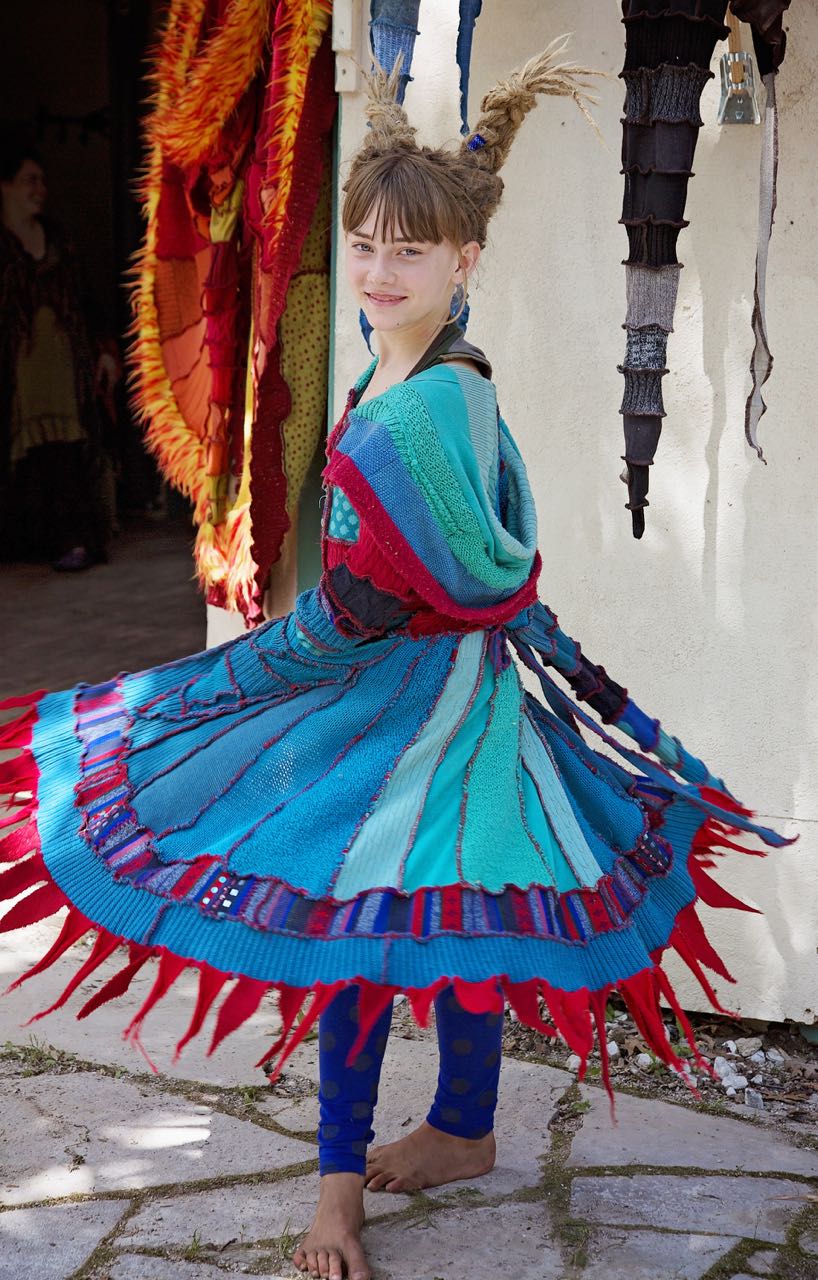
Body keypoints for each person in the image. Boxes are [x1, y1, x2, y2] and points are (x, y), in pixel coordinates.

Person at [0, 42, 786, 1280]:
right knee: (450, 910)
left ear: (463, 259)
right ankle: (463, 1124)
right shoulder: (439, 365)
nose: (374, 271)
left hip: (412, 701)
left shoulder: (409, 413)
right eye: (362, 243)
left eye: (406, 251)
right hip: (455, 690)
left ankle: (335, 1198)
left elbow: (360, 606)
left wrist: (219, 681)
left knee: (360, 931)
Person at [0, 140, 117, 570]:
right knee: (28, 455)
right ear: (5, 186)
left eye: (42, 181)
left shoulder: (58, 239)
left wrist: (105, 351)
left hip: (65, 368)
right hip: (17, 375)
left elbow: (87, 300)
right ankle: (37, 543)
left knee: (68, 449)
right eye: (29, 180)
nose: (40, 190)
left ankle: (76, 541)